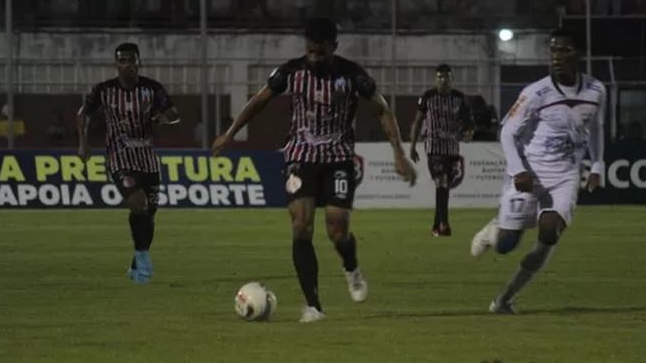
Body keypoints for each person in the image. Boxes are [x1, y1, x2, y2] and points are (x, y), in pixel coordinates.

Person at [212, 18, 417, 323]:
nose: (314, 58)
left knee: (337, 229)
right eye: (310, 52)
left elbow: (381, 109)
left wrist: (399, 153)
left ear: (334, 47)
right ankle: (313, 306)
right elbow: (258, 101)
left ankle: (351, 267)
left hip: (338, 157)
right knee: (301, 226)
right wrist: (230, 134)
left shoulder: (351, 75)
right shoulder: (291, 72)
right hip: (300, 156)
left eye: (320, 53)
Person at [469, 28, 605, 314]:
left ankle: (504, 299)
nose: (556, 56)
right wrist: (519, 169)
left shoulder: (596, 90)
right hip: (530, 174)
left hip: (565, 176)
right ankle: (495, 229)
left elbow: (595, 128)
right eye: (553, 50)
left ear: (579, 53)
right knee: (505, 245)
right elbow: (507, 132)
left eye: (564, 50)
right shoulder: (535, 93)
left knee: (550, 232)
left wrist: (597, 165)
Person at [76, 42, 180, 284]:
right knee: (137, 202)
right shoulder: (104, 90)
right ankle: (143, 263)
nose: (126, 65)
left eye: (130, 60)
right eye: (121, 61)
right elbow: (83, 113)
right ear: (116, 64)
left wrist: (164, 118)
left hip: (147, 157)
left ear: (138, 63)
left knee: (149, 214)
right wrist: (83, 143)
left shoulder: (152, 89)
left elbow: (174, 114)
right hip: (119, 156)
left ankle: (138, 259)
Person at [408, 64, 474, 237]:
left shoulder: (459, 98)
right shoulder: (428, 97)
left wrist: (469, 133)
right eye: (440, 77)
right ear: (435, 79)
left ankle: (436, 225)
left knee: (445, 187)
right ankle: (444, 224)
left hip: (452, 149)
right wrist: (413, 146)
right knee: (441, 182)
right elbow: (418, 121)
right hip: (434, 147)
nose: (443, 80)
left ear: (452, 79)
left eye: (446, 77)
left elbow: (468, 122)